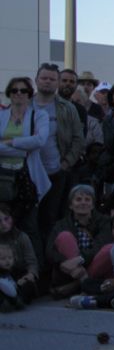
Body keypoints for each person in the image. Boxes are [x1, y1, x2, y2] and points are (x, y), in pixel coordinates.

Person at [32, 63, 85, 235]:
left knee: (51, 219)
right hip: (29, 172)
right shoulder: (25, 104)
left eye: (52, 79)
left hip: (56, 172)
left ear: (57, 83)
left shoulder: (67, 108)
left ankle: (50, 259)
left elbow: (78, 139)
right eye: (44, 78)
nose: (47, 82)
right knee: (29, 219)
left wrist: (66, 162)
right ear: (36, 80)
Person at [0, 77, 49, 245]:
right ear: (9, 93)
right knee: (3, 225)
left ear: (30, 94)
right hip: (3, 177)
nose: (19, 94)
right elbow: (32, 144)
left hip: (28, 178)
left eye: (23, 90)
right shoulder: (1, 115)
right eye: (14, 90)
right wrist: (26, 146)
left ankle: (35, 269)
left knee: (29, 227)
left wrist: (10, 142)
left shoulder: (39, 115)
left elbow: (40, 141)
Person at [46, 185, 113, 297]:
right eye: (78, 199)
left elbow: (101, 245)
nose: (83, 203)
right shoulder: (61, 224)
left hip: (95, 266)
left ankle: (77, 285)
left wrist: (79, 259)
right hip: (69, 272)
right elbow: (49, 251)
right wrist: (63, 261)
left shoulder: (104, 221)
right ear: (71, 205)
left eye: (87, 199)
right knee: (64, 236)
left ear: (92, 205)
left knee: (109, 249)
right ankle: (84, 283)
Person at [0, 205, 38, 306]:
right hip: (2, 276)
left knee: (28, 286)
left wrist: (29, 275)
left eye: (6, 219)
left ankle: (18, 300)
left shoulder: (22, 237)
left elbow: (32, 262)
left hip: (19, 275)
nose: (3, 224)